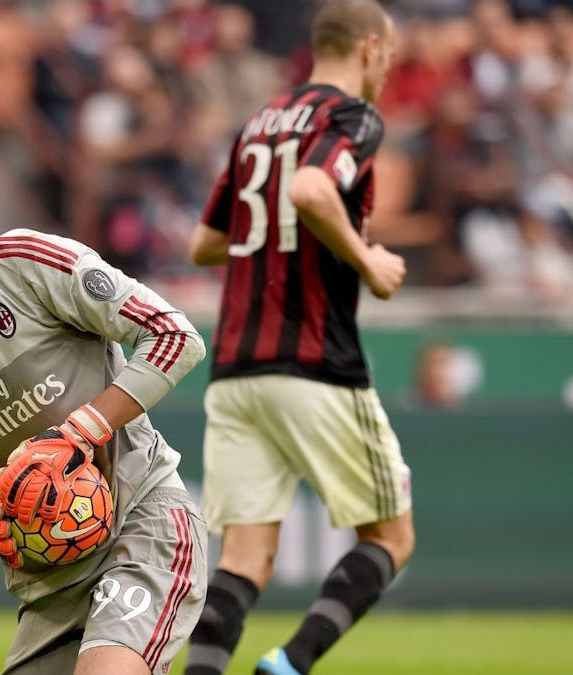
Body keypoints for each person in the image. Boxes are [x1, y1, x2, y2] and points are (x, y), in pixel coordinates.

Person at [0, 145, 208, 675]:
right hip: (51, 574)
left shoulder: (34, 264)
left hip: (142, 527)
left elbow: (175, 337)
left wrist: (80, 429)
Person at [183, 2, 415, 675]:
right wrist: (367, 259)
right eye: (391, 58)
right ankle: (288, 665)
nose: (389, 72)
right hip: (313, 359)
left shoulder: (258, 124)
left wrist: (267, 252)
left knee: (244, 557)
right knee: (392, 535)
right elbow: (314, 188)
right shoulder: (351, 117)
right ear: (370, 48)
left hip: (235, 366)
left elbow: (205, 242)